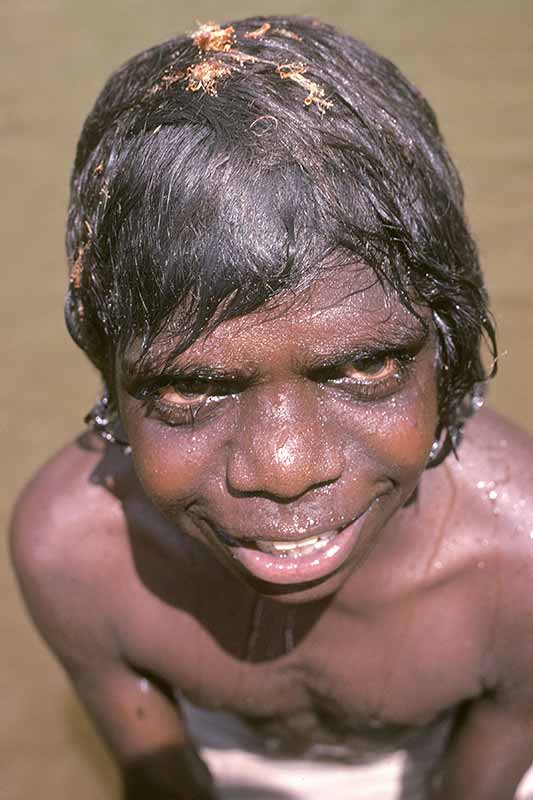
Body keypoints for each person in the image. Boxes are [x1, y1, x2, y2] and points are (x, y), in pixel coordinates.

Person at [9, 14, 533, 800]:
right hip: (228, 748)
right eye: (192, 387)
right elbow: (158, 777)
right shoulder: (76, 555)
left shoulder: (517, 569)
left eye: (363, 367)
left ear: (449, 353)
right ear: (109, 378)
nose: (284, 471)